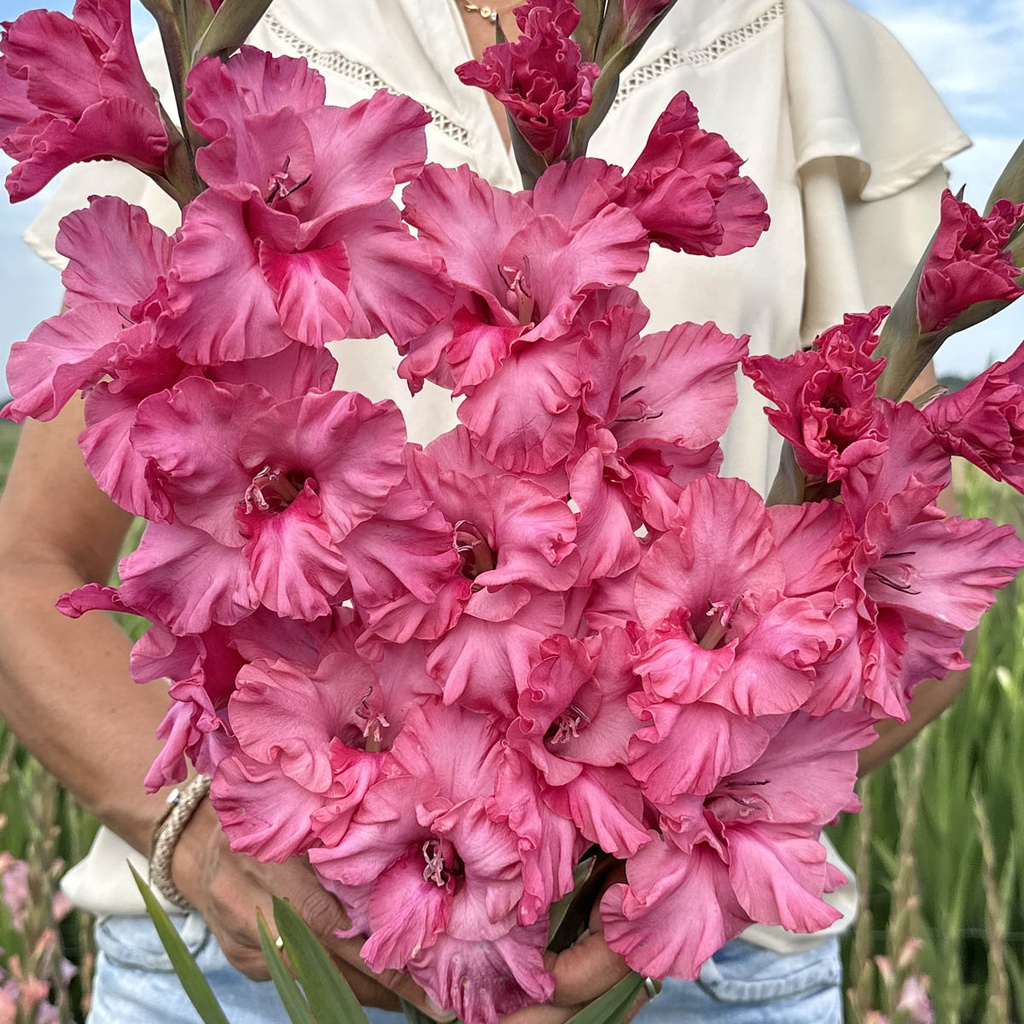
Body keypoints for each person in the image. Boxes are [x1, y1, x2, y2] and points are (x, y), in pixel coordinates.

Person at [0, 1, 972, 1022]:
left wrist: (673, 861)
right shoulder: (237, 55)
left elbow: (918, 610)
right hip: (260, 958)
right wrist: (203, 837)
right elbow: (27, 570)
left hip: (691, 976)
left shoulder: (812, 50)